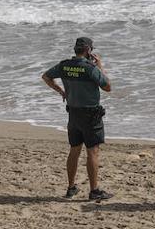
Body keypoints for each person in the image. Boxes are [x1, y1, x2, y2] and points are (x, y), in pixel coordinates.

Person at [41, 36, 113, 201]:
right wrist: (100, 66)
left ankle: (71, 187)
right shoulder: (90, 68)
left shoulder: (65, 65)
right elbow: (108, 87)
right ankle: (94, 190)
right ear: (88, 51)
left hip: (73, 113)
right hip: (90, 114)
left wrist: (61, 91)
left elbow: (46, 77)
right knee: (93, 151)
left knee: (74, 150)